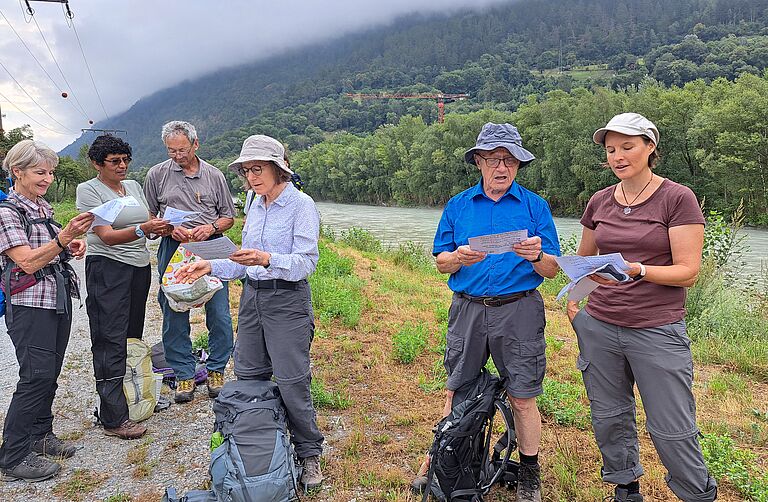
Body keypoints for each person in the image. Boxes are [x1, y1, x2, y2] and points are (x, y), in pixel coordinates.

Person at [567, 113, 717, 502]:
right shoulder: (599, 200)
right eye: (611, 149)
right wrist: (575, 301)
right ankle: (626, 487)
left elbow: (688, 272)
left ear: (650, 147)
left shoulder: (677, 197)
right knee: (608, 417)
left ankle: (697, 494)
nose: (618, 156)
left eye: (627, 147)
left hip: (656, 329)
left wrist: (639, 270)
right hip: (600, 325)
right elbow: (585, 259)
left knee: (672, 426)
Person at [413, 123, 561, 502]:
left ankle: (529, 471)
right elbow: (440, 262)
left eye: (510, 160)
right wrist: (456, 258)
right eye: (494, 159)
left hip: (520, 310)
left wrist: (539, 256)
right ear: (478, 161)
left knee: (523, 394)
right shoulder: (459, 205)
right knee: (457, 387)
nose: (502, 167)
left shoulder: (534, 206)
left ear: (518, 165)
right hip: (468, 310)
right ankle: (441, 457)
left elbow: (552, 268)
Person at [174, 135, 325, 489]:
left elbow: (306, 263)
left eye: (258, 169)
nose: (251, 177)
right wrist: (208, 266)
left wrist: (267, 258)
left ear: (278, 169)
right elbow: (244, 263)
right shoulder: (255, 203)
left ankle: (309, 452)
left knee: (291, 379)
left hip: (288, 300)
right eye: (246, 171)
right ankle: (258, 445)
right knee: (248, 373)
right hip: (253, 299)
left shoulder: (301, 205)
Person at [0, 140, 94, 481]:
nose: (48, 179)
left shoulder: (41, 207)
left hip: (56, 299)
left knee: (50, 371)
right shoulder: (8, 211)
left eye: (51, 172)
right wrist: (63, 237)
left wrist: (69, 244)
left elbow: (50, 250)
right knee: (35, 376)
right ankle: (12, 456)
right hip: (29, 305)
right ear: (17, 172)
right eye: (40, 172)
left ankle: (41, 435)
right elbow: (25, 262)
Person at [76, 135, 172, 440]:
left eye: (125, 159)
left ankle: (134, 398)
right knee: (109, 338)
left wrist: (157, 228)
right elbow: (105, 235)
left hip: (138, 268)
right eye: (114, 161)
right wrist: (144, 228)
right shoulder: (89, 191)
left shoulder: (132, 186)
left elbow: (145, 221)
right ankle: (113, 417)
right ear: (96, 163)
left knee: (131, 337)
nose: (122, 166)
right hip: (108, 269)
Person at [143, 121, 236, 403]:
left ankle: (216, 369)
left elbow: (228, 217)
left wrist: (211, 228)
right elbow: (148, 220)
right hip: (174, 247)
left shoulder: (214, 175)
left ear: (196, 144)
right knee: (174, 310)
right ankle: (183, 373)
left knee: (219, 311)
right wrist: (169, 228)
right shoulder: (156, 174)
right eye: (171, 151)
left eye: (182, 150)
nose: (177, 156)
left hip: (210, 247)